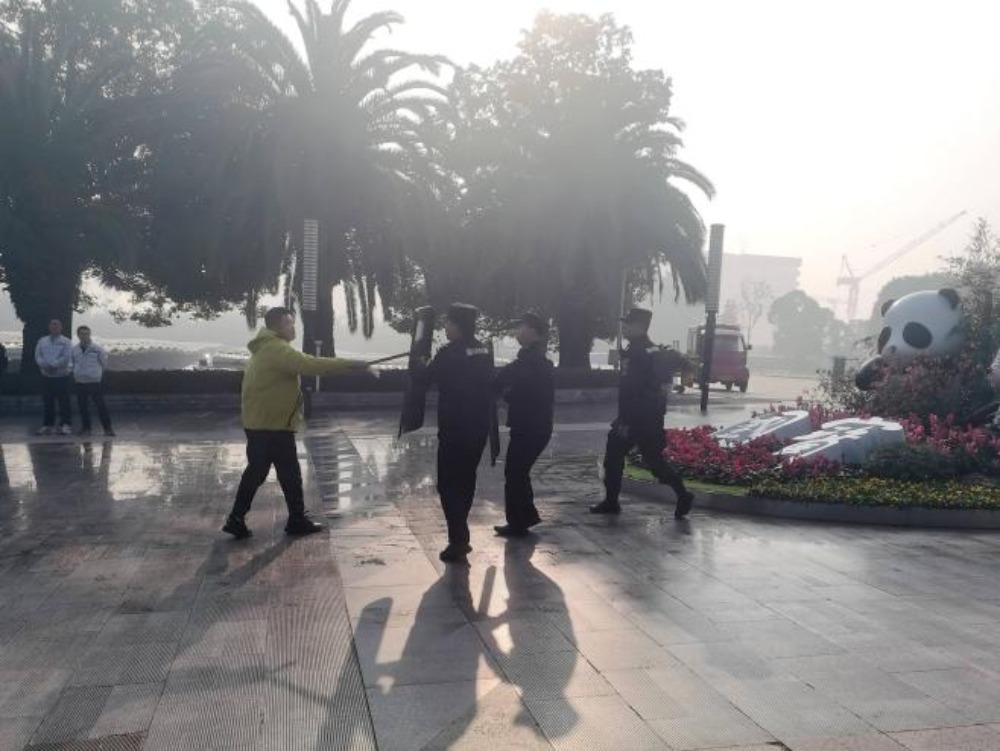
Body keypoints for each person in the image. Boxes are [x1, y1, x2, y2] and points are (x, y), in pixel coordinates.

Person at [222, 307, 367, 539]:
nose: (293, 328)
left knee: (259, 472)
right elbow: (311, 364)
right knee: (288, 473)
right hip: (273, 426)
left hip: (261, 423)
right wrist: (350, 364)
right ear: (278, 326)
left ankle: (237, 518)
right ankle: (294, 519)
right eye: (289, 323)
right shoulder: (277, 349)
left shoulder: (265, 348)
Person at [591, 307, 694, 519]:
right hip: (649, 418)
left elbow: (634, 391)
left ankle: (612, 501)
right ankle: (682, 494)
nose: (624, 327)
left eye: (628, 324)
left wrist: (626, 422)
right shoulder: (650, 350)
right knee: (650, 461)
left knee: (621, 457)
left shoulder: (639, 353)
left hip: (636, 419)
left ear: (640, 326)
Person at [411, 303, 493, 563]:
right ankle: (460, 535)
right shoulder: (482, 350)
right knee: (466, 480)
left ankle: (459, 540)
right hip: (478, 427)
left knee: (447, 484)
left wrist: (418, 362)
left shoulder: (449, 354)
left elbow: (423, 379)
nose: (445, 327)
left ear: (458, 325)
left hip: (455, 429)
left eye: (448, 322)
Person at [492, 312, 554, 537]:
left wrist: (507, 394)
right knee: (518, 472)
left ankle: (519, 523)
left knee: (515, 472)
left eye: (521, 327)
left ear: (533, 331)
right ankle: (525, 518)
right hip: (530, 426)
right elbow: (504, 378)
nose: (517, 331)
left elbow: (525, 391)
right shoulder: (528, 358)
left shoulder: (535, 361)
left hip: (532, 427)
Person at [72, 326, 114, 437]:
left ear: (89, 334)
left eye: (86, 334)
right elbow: (72, 363)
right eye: (82, 334)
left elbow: (104, 362)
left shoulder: (97, 348)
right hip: (80, 381)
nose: (84, 336)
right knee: (83, 406)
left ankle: (108, 428)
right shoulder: (74, 349)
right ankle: (86, 428)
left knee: (100, 405)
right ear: (78, 335)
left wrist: (96, 374)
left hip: (94, 382)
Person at [34, 319, 74, 435]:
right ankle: (48, 425)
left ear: (61, 328)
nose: (54, 328)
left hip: (61, 376)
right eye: (52, 326)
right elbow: (38, 355)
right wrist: (45, 366)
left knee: (64, 402)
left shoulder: (66, 341)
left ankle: (65, 425)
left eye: (57, 326)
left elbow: (66, 356)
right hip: (46, 376)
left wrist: (54, 366)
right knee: (47, 401)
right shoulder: (42, 341)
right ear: (49, 327)